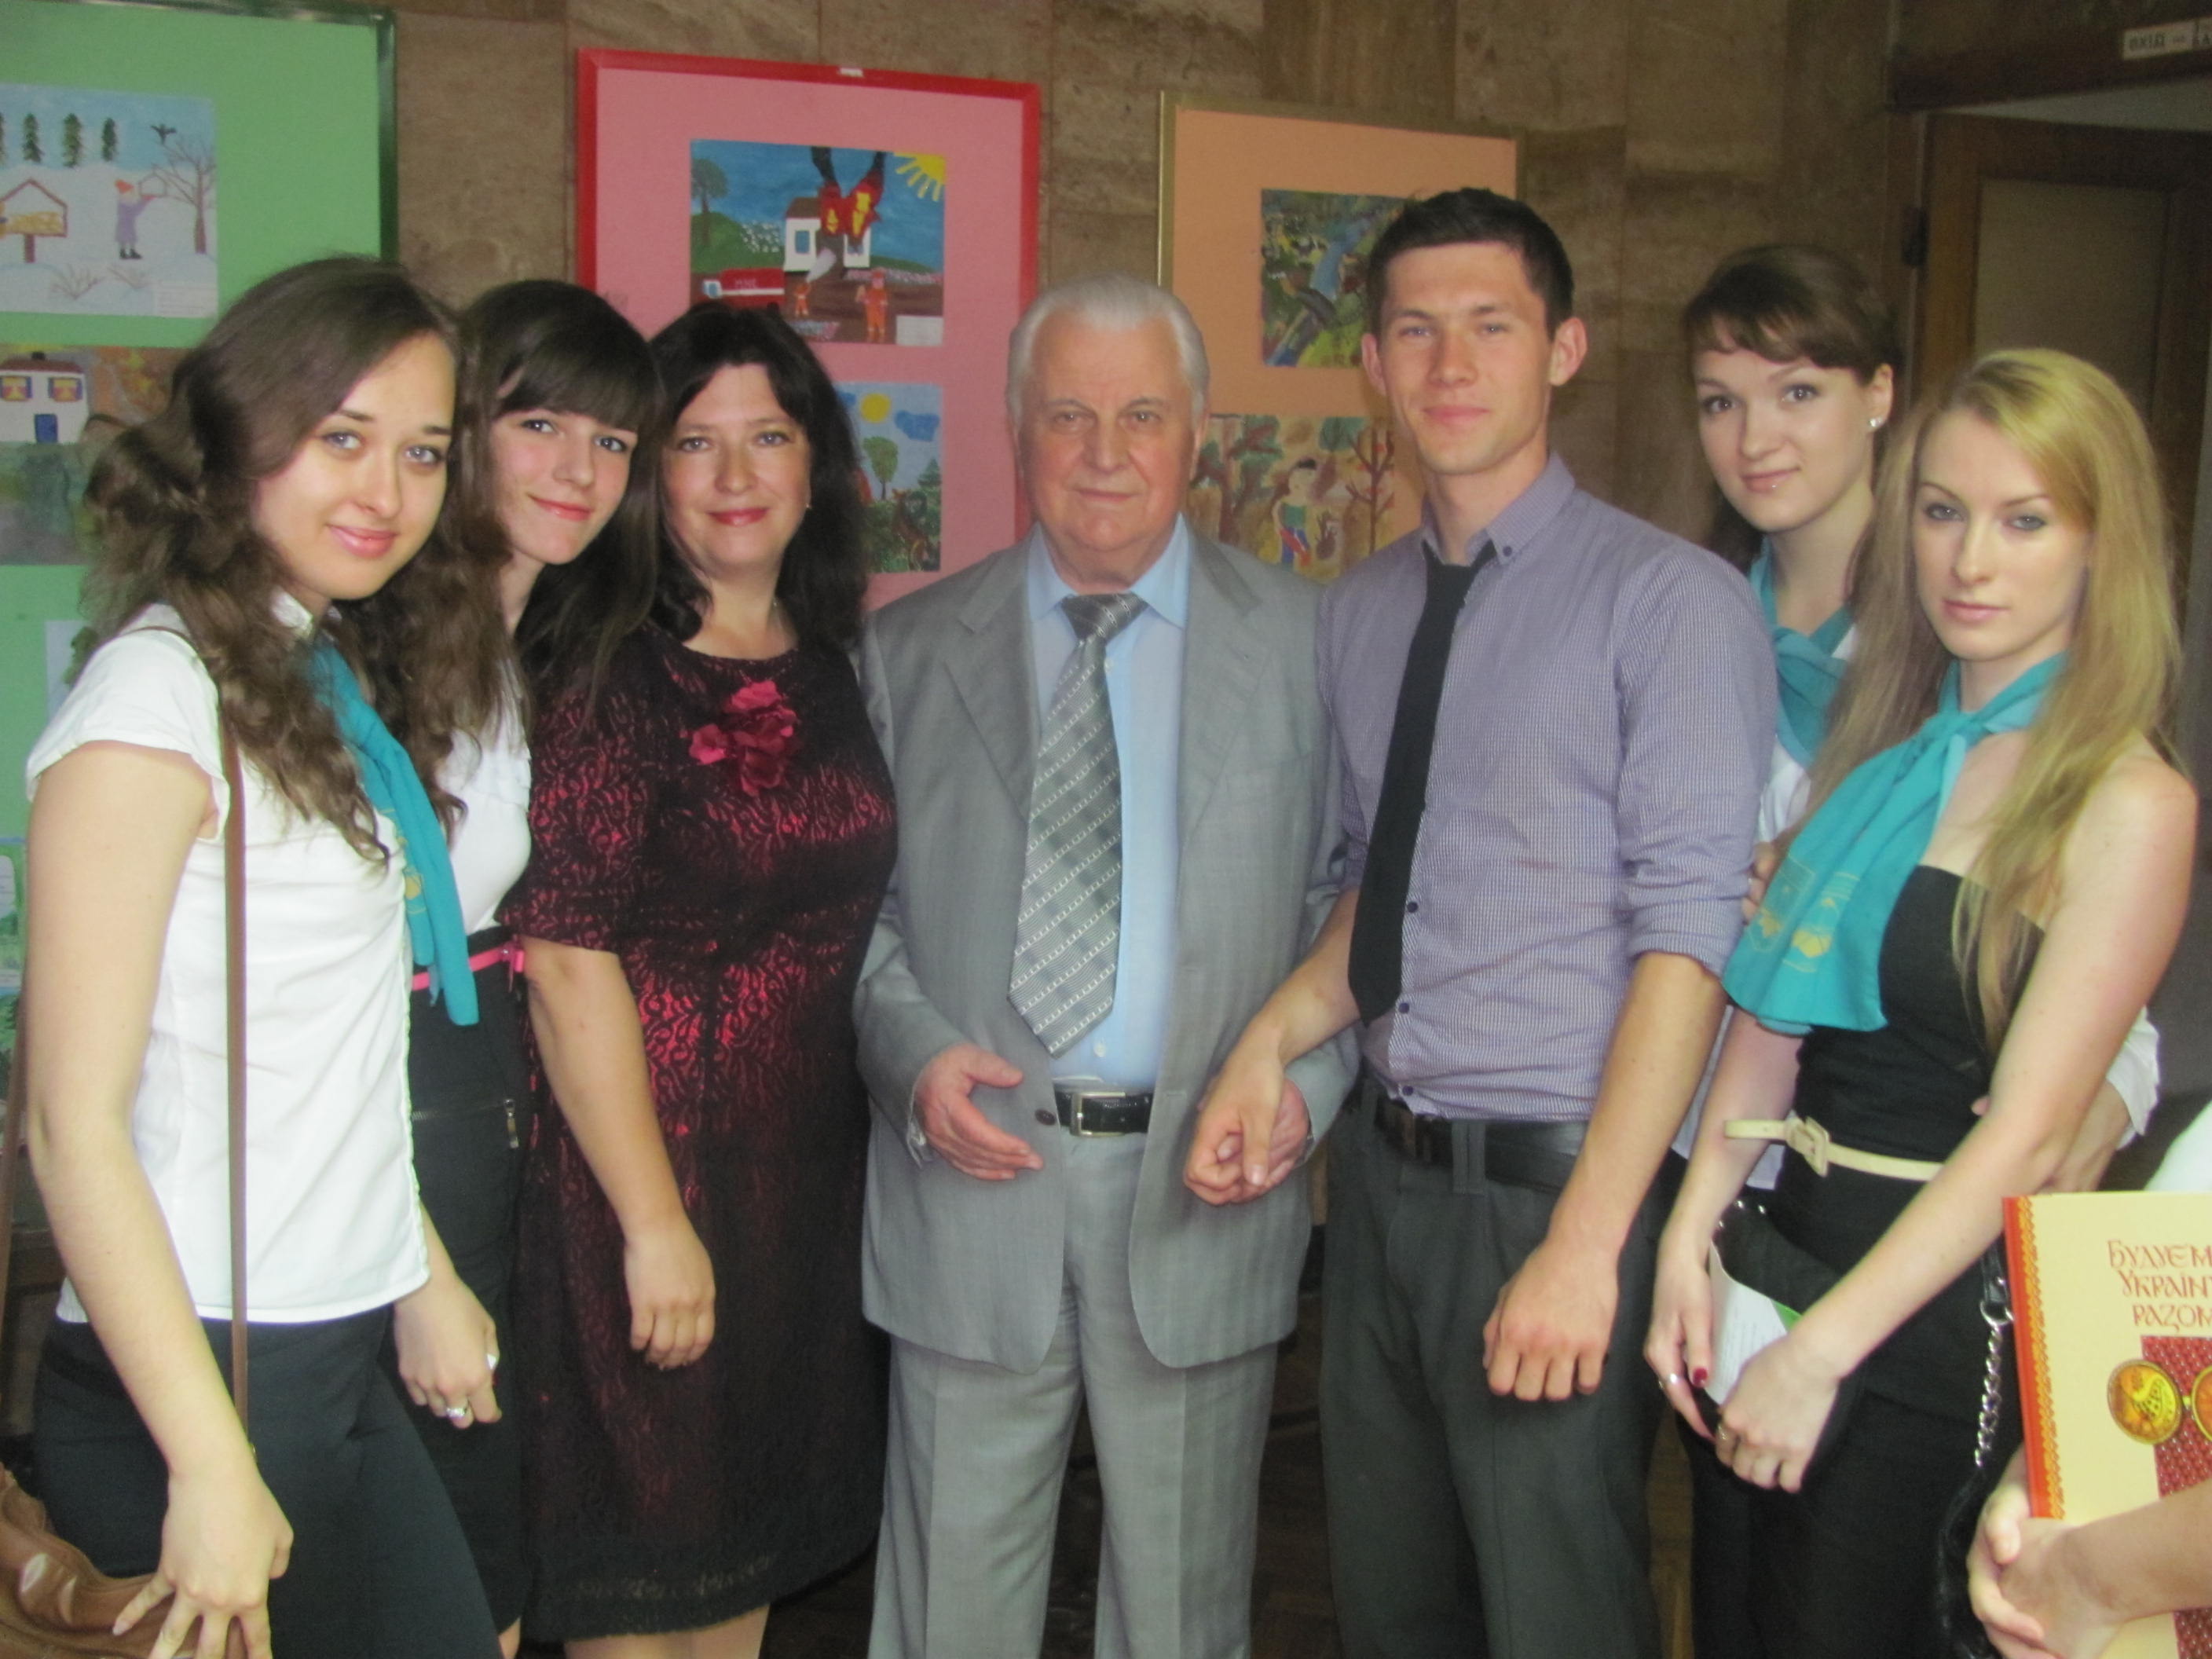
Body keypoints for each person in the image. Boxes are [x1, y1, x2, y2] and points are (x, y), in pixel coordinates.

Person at [1184, 188, 1774, 1659]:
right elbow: (1381, 891)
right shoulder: (1362, 610)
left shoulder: (1672, 604)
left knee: (1555, 1615)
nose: (1450, 364)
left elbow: (1690, 944)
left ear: (1564, 349)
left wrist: (1587, 1244)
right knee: (1396, 1609)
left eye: (1491, 327)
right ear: (1372, 365)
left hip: (1556, 1189)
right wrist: (1269, 1043)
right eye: (1416, 331)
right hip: (1385, 1190)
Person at [1647, 347, 2195, 1657]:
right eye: (1943, 512)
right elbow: (1770, 1028)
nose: (1971, 561)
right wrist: (1688, 1241)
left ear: (2101, 545)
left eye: (2025, 521)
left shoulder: (2131, 802)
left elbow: (2027, 1137)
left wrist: (1822, 1353)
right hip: (1780, 1264)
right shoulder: (1880, 754)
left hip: (1924, 1316)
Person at [855, 272, 1349, 1659]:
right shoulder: (903, 652)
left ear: (1199, 432)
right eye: (1068, 416)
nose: (1106, 454)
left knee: (1183, 1620)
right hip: (973, 1186)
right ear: (1017, 431)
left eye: (1142, 415)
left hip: (1203, 1188)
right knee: (950, 1620)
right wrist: (911, 1058)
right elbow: (851, 916)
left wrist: (1305, 1086)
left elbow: (1359, 902)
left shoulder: (1313, 645)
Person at [21, 256, 507, 1659]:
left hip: (330, 1334)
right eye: (341, 437)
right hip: (204, 1368)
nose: (387, 491)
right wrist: (209, 1462)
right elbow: (68, 1125)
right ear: (238, 436)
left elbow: (328, 1048)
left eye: (423, 452)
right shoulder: (153, 703)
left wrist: (416, 1272)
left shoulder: (310, 675)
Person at [503, 302, 892, 1658]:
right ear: (649, 479)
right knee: (643, 1585)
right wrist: (654, 1223)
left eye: (768, 438)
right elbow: (567, 957)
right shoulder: (607, 671)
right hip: (638, 1187)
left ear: (816, 465)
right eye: (692, 442)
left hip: (802, 1197)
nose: (735, 476)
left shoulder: (832, 664)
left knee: (741, 1566)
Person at [377, 278, 661, 1657]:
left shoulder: (514, 654)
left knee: (482, 1564)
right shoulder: (373, 653)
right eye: (539, 424)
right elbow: (310, 1014)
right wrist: (411, 1266)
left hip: (475, 1132)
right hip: (380, 1167)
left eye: (611, 442)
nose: (578, 471)